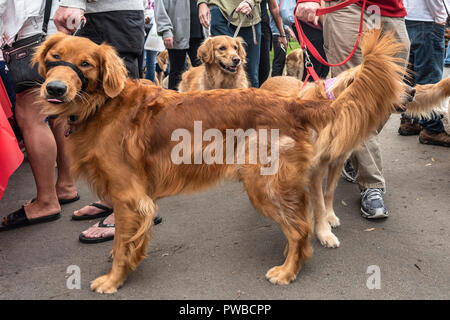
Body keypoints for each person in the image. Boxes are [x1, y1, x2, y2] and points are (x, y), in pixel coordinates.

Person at [54, 0, 161, 243]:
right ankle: (114, 198)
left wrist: (72, 1)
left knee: (121, 119)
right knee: (103, 118)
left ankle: (134, 205)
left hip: (112, 13)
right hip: (106, 13)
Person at [296, 0, 410, 219]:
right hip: (347, 7)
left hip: (388, 8)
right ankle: (371, 184)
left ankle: (349, 147)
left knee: (391, 92)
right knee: (354, 98)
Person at [0, 0, 80, 231]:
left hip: (31, 34)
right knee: (57, 112)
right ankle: (65, 185)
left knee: (31, 116)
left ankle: (46, 201)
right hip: (59, 33)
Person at [398, 0, 450, 147]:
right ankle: (431, 129)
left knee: (410, 73)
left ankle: (409, 119)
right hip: (428, 18)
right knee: (430, 77)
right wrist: (440, 16)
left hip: (410, 16)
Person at [198, 0, 262, 87]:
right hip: (220, 10)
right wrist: (202, 3)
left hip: (250, 15)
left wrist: (250, 2)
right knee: (215, 69)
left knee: (251, 75)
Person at [155, 0, 203, 90]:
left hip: (200, 31)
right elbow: (160, 8)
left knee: (202, 71)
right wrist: (165, 30)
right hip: (177, 32)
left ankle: (201, 102)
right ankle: (172, 102)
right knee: (177, 72)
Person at [258, 0, 287, 85]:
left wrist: (282, 34)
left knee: (264, 69)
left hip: (263, 26)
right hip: (237, 24)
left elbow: (274, 8)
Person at [270, 0, 296, 77]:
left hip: (283, 33)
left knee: (281, 60)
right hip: (278, 33)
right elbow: (277, 14)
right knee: (279, 61)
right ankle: (275, 84)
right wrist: (288, 29)